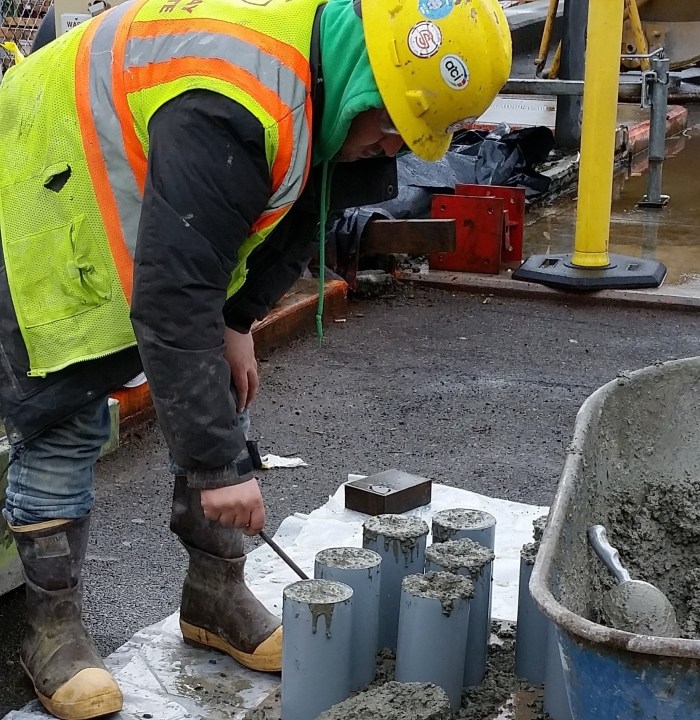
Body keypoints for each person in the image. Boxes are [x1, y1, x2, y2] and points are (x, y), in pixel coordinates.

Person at [0, 0, 511, 717]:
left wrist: (237, 320)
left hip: (142, 191)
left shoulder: (318, 83)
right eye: (393, 129)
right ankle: (51, 633)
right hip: (43, 186)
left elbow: (288, 213)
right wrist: (215, 469)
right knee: (66, 417)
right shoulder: (234, 105)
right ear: (368, 86)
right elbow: (173, 297)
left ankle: (214, 596)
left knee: (219, 382)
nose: (394, 150)